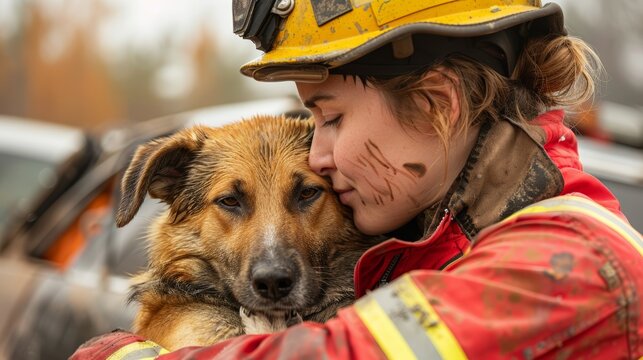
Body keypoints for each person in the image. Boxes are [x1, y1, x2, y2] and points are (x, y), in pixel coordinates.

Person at [72, 1, 643, 359]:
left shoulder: (571, 267)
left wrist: (119, 352)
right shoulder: (430, 247)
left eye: (331, 117)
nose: (317, 154)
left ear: (435, 106)